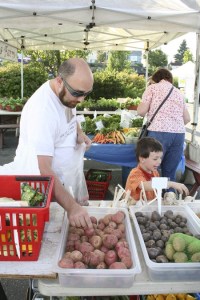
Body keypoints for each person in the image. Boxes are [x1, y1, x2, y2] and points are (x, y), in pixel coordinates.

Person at [2, 58, 94, 228]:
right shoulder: (42, 111)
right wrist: (72, 207)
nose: (81, 100)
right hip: (41, 190)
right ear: (60, 81)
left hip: (61, 186)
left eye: (86, 94)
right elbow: (43, 169)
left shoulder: (66, 93)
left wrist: (79, 133)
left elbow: (70, 115)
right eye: (78, 93)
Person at [137, 68, 191, 182]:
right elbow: (187, 119)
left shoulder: (152, 88)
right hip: (179, 134)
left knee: (151, 169)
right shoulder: (178, 92)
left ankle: (152, 197)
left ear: (155, 79)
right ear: (170, 79)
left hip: (158, 132)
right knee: (170, 172)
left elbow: (141, 112)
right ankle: (169, 196)